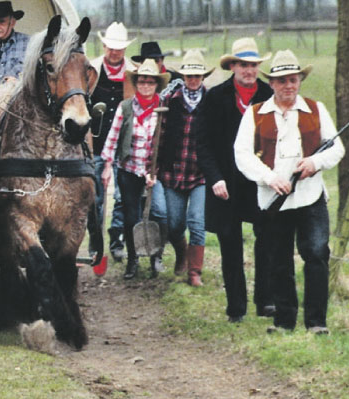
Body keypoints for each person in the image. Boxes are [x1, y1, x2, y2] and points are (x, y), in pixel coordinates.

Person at [235, 50, 343, 335]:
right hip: (273, 199)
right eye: (282, 81)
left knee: (317, 253)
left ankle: (317, 322)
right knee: (278, 259)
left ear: (300, 81)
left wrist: (314, 162)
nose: (288, 86)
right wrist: (269, 178)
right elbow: (242, 154)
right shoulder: (255, 114)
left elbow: (337, 147)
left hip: (310, 196)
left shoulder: (316, 109)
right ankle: (284, 321)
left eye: (293, 80)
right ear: (271, 83)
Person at [194, 37, 275, 322]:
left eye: (253, 65)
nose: (248, 70)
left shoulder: (268, 95)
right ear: (233, 66)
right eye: (243, 64)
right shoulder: (215, 97)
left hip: (260, 181)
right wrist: (214, 178)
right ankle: (236, 307)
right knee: (230, 243)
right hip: (225, 182)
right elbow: (201, 143)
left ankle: (265, 300)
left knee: (266, 239)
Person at [100, 58, 171, 279]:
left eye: (150, 82)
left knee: (160, 212)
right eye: (142, 82)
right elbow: (113, 137)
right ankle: (132, 260)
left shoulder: (164, 107)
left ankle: (156, 256)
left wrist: (156, 173)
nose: (146, 86)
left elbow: (169, 144)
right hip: (128, 169)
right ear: (136, 83)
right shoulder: (126, 107)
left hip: (154, 172)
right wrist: (107, 166)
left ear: (157, 85)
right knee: (131, 217)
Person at [158, 49, 212, 286]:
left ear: (202, 78)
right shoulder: (171, 100)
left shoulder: (211, 101)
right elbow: (160, 134)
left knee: (197, 221)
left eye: (197, 76)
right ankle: (181, 252)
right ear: (183, 76)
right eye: (189, 75)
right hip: (173, 171)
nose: (193, 80)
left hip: (200, 173)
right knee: (175, 223)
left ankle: (194, 272)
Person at [87, 21, 135, 272]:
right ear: (104, 46)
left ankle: (116, 237)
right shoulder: (92, 70)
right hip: (96, 143)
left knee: (122, 197)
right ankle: (95, 243)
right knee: (94, 199)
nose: (114, 52)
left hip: (124, 146)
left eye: (119, 48)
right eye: (111, 47)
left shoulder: (133, 74)